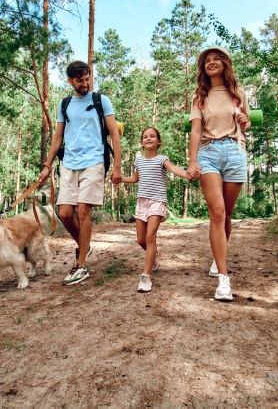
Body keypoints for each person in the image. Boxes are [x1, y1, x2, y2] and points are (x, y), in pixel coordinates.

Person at [39, 60, 122, 285]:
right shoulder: (64, 104)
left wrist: (117, 166)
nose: (85, 84)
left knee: (84, 209)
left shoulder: (100, 100)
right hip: (69, 163)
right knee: (65, 213)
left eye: (87, 79)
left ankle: (81, 264)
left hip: (94, 161)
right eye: (80, 80)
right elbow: (57, 138)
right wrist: (47, 166)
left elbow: (114, 133)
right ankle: (85, 246)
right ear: (70, 80)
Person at [186, 46, 251, 302]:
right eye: (207, 61)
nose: (211, 63)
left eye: (216, 59)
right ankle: (224, 279)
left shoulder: (239, 93)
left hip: (235, 152)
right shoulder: (200, 97)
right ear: (203, 68)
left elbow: (245, 124)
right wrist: (193, 161)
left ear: (225, 63)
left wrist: (246, 123)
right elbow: (195, 131)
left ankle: (217, 258)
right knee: (217, 212)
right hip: (208, 153)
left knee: (228, 215)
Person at [120, 127, 191, 292]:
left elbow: (174, 169)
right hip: (141, 202)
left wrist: (188, 173)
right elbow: (135, 178)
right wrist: (120, 178)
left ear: (159, 141)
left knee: (150, 236)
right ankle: (156, 254)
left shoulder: (162, 159)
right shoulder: (139, 160)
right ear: (142, 142)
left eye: (152, 136)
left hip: (157, 202)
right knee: (141, 240)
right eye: (145, 137)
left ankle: (146, 276)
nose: (148, 138)